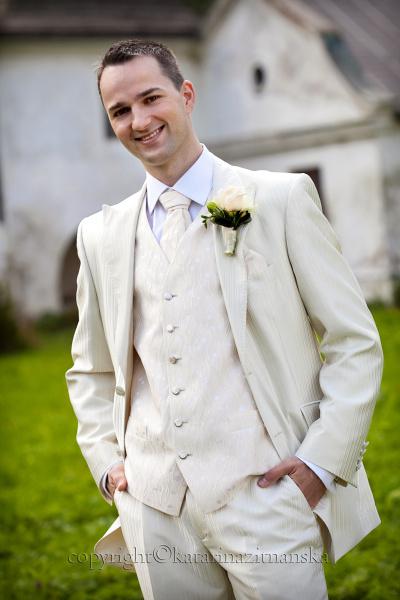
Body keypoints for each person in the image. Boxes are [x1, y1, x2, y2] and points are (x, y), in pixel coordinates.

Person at [66, 39, 383, 600]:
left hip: (268, 497)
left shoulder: (279, 200)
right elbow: (90, 369)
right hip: (155, 508)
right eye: (120, 110)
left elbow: (353, 342)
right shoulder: (100, 235)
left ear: (186, 95)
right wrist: (108, 464)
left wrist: (320, 464)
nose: (139, 121)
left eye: (151, 98)